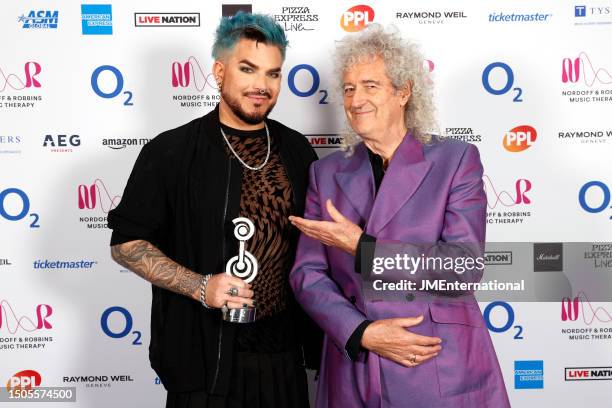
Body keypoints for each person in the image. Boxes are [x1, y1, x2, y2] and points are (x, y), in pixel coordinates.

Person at [289, 25, 510, 407]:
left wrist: (364, 248)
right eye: (349, 88)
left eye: (370, 85)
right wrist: (360, 331)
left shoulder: (455, 160)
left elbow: (464, 265)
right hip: (355, 366)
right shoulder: (325, 174)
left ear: (404, 91)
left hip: (435, 363)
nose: (356, 99)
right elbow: (307, 274)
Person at [108, 12, 321, 408]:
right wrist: (202, 287)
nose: (261, 85)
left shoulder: (297, 151)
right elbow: (126, 243)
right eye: (248, 69)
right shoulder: (171, 151)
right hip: (202, 367)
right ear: (220, 72)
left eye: (273, 74)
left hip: (284, 365)